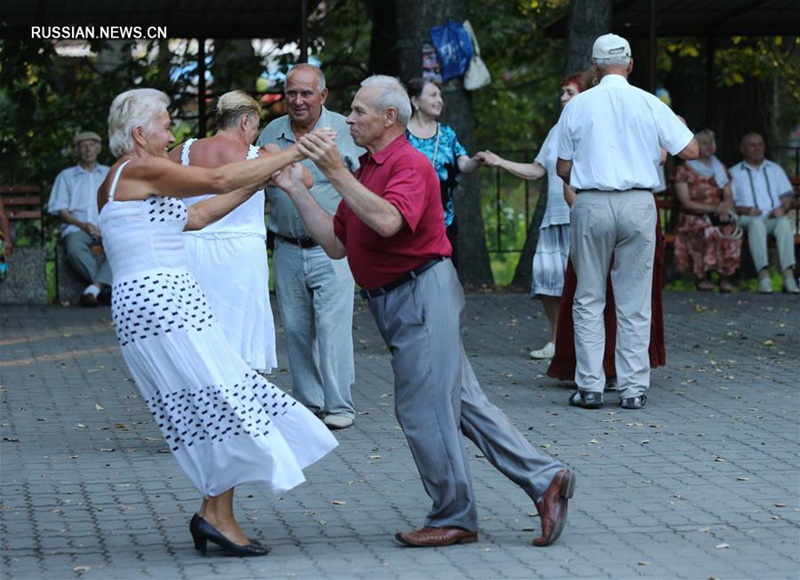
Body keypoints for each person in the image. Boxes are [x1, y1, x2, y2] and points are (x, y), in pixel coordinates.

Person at [273, 75, 575, 548]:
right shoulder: (370, 167)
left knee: (422, 409)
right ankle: (546, 478)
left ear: (388, 118)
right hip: (399, 300)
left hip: (420, 293)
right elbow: (335, 244)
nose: (348, 118)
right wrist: (296, 189)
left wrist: (334, 172)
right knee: (464, 405)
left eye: (358, 111)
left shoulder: (408, 164)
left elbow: (390, 221)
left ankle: (454, 515)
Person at [97, 88, 337, 557]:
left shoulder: (135, 178)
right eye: (165, 126)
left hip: (162, 300)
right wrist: (293, 151)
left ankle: (216, 514)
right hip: (160, 302)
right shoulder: (139, 167)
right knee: (224, 399)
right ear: (139, 133)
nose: (172, 135)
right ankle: (215, 515)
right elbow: (219, 178)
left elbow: (199, 216)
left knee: (221, 400)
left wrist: (257, 182)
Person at [556, 33, 698, 410]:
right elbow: (693, 150)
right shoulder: (650, 103)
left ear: (596, 65)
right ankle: (633, 389)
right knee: (634, 301)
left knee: (588, 298)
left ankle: (589, 386)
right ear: (631, 64)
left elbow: (562, 167)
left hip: (591, 203)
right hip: (638, 203)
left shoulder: (578, 105)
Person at [257, 64, 362, 430]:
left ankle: (340, 405)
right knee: (298, 330)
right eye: (291, 93)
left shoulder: (344, 130)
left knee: (333, 328)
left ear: (323, 95)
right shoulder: (272, 132)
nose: (298, 101)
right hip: (286, 246)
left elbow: (363, 181)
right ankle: (308, 403)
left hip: (332, 246)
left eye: (306, 93)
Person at [475, 72, 587, 359]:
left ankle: (581, 344)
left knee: (583, 283)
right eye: (562, 92)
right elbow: (538, 170)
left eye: (569, 93)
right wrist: (500, 162)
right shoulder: (555, 131)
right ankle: (556, 339)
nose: (562, 98)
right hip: (553, 217)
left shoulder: (589, 126)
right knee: (548, 279)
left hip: (581, 216)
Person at [169, 91, 278, 373]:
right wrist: (277, 157)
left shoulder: (183, 151)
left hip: (190, 249)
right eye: (255, 127)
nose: (255, 135)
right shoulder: (259, 157)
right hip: (241, 254)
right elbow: (305, 179)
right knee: (239, 330)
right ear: (245, 122)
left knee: (195, 330)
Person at [405, 77, 480, 269]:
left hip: (443, 219)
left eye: (440, 95)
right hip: (407, 219)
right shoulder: (400, 134)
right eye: (433, 95)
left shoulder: (446, 133)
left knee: (446, 274)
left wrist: (476, 161)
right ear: (414, 101)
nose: (439, 100)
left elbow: (463, 164)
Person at [47, 131, 112, 307]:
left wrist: (104, 224)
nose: (88, 149)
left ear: (98, 148)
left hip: (106, 225)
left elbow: (117, 204)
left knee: (122, 246)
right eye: (83, 146)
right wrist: (83, 225)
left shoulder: (109, 173)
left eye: (91, 145)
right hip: (76, 226)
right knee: (73, 247)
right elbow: (61, 211)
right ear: (77, 150)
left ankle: (94, 290)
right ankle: (106, 289)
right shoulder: (66, 176)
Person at [729, 132, 799, 294]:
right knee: (756, 224)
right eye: (752, 145)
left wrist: (782, 208)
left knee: (784, 223)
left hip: (773, 216)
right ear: (743, 149)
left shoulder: (775, 169)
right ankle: (764, 277)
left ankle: (788, 277)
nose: (757, 148)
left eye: (760, 144)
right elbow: (729, 203)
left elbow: (787, 196)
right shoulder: (734, 172)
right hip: (747, 218)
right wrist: (745, 209)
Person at [674, 129, 742, 293]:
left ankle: (724, 276)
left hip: (718, 213)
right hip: (694, 215)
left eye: (710, 142)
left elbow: (728, 195)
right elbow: (685, 202)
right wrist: (713, 209)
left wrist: (724, 208)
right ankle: (702, 277)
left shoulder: (719, 167)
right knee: (708, 230)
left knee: (730, 229)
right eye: (703, 143)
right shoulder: (684, 170)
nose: (708, 146)